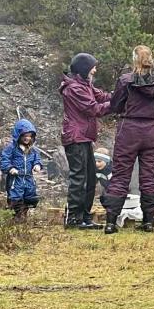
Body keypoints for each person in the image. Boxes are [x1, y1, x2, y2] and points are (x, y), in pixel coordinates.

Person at [102, 45, 154, 234]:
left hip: (129, 130)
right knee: (149, 176)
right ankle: (148, 221)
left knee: (120, 174)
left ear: (134, 59)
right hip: (152, 130)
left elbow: (115, 105)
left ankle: (110, 222)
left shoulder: (126, 80)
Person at [59, 53, 112, 230]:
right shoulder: (74, 88)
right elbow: (93, 108)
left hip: (85, 137)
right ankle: (74, 218)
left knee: (90, 178)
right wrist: (117, 104)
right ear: (84, 69)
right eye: (92, 67)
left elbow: (102, 96)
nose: (95, 70)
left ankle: (85, 217)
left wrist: (121, 94)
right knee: (79, 178)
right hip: (76, 138)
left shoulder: (84, 84)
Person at [0, 119, 43, 220]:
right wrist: (10, 168)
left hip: (29, 178)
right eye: (25, 135)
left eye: (29, 136)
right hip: (16, 179)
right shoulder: (11, 148)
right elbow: (4, 160)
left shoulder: (33, 150)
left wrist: (37, 165)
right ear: (18, 135)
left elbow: (38, 159)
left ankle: (24, 216)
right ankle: (16, 218)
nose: (27, 138)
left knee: (29, 198)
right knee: (16, 198)